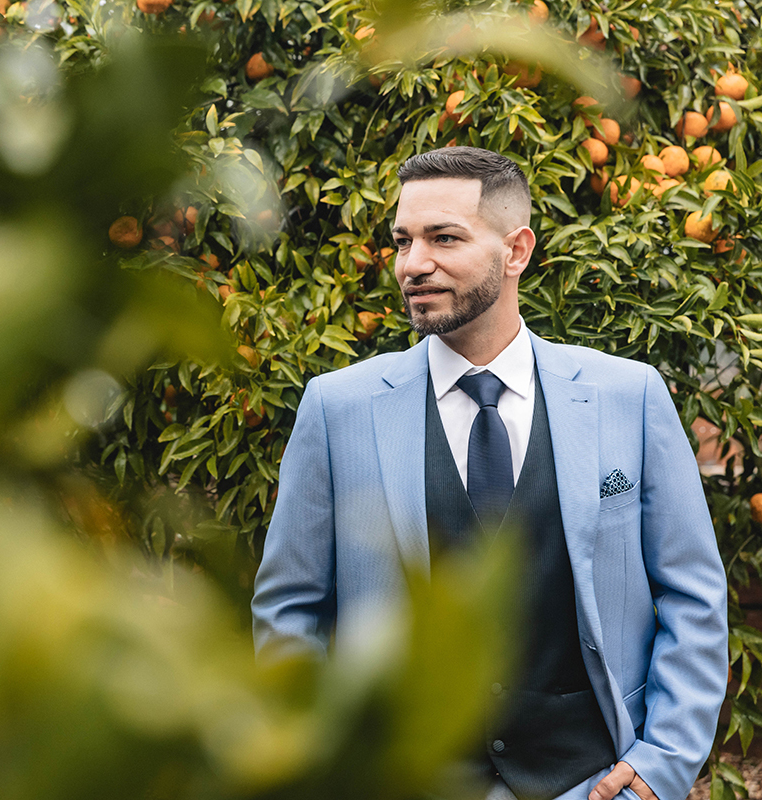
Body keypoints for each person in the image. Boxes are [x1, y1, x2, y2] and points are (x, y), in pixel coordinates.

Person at [251, 146, 728, 800]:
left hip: (594, 782)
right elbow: (289, 610)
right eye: (403, 241)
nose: (414, 264)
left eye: (443, 238)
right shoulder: (338, 409)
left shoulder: (628, 396)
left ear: (516, 250)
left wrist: (663, 761)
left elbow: (692, 590)